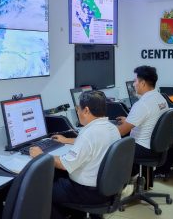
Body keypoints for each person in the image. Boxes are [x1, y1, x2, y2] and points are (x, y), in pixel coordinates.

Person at [29, 90, 121, 219]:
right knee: (57, 178)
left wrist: (41, 155)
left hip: (87, 192)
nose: (77, 112)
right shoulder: (111, 128)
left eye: (78, 109)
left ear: (86, 110)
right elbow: (93, 145)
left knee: (40, 190)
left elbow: (64, 164)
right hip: (107, 189)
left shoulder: (89, 134)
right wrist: (66, 140)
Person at [117, 65, 168, 177]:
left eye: (135, 81)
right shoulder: (161, 99)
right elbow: (150, 119)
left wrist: (102, 127)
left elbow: (120, 132)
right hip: (158, 148)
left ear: (143, 83)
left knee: (111, 148)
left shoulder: (142, 104)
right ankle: (140, 181)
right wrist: (129, 120)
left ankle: (121, 185)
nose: (134, 84)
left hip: (144, 148)